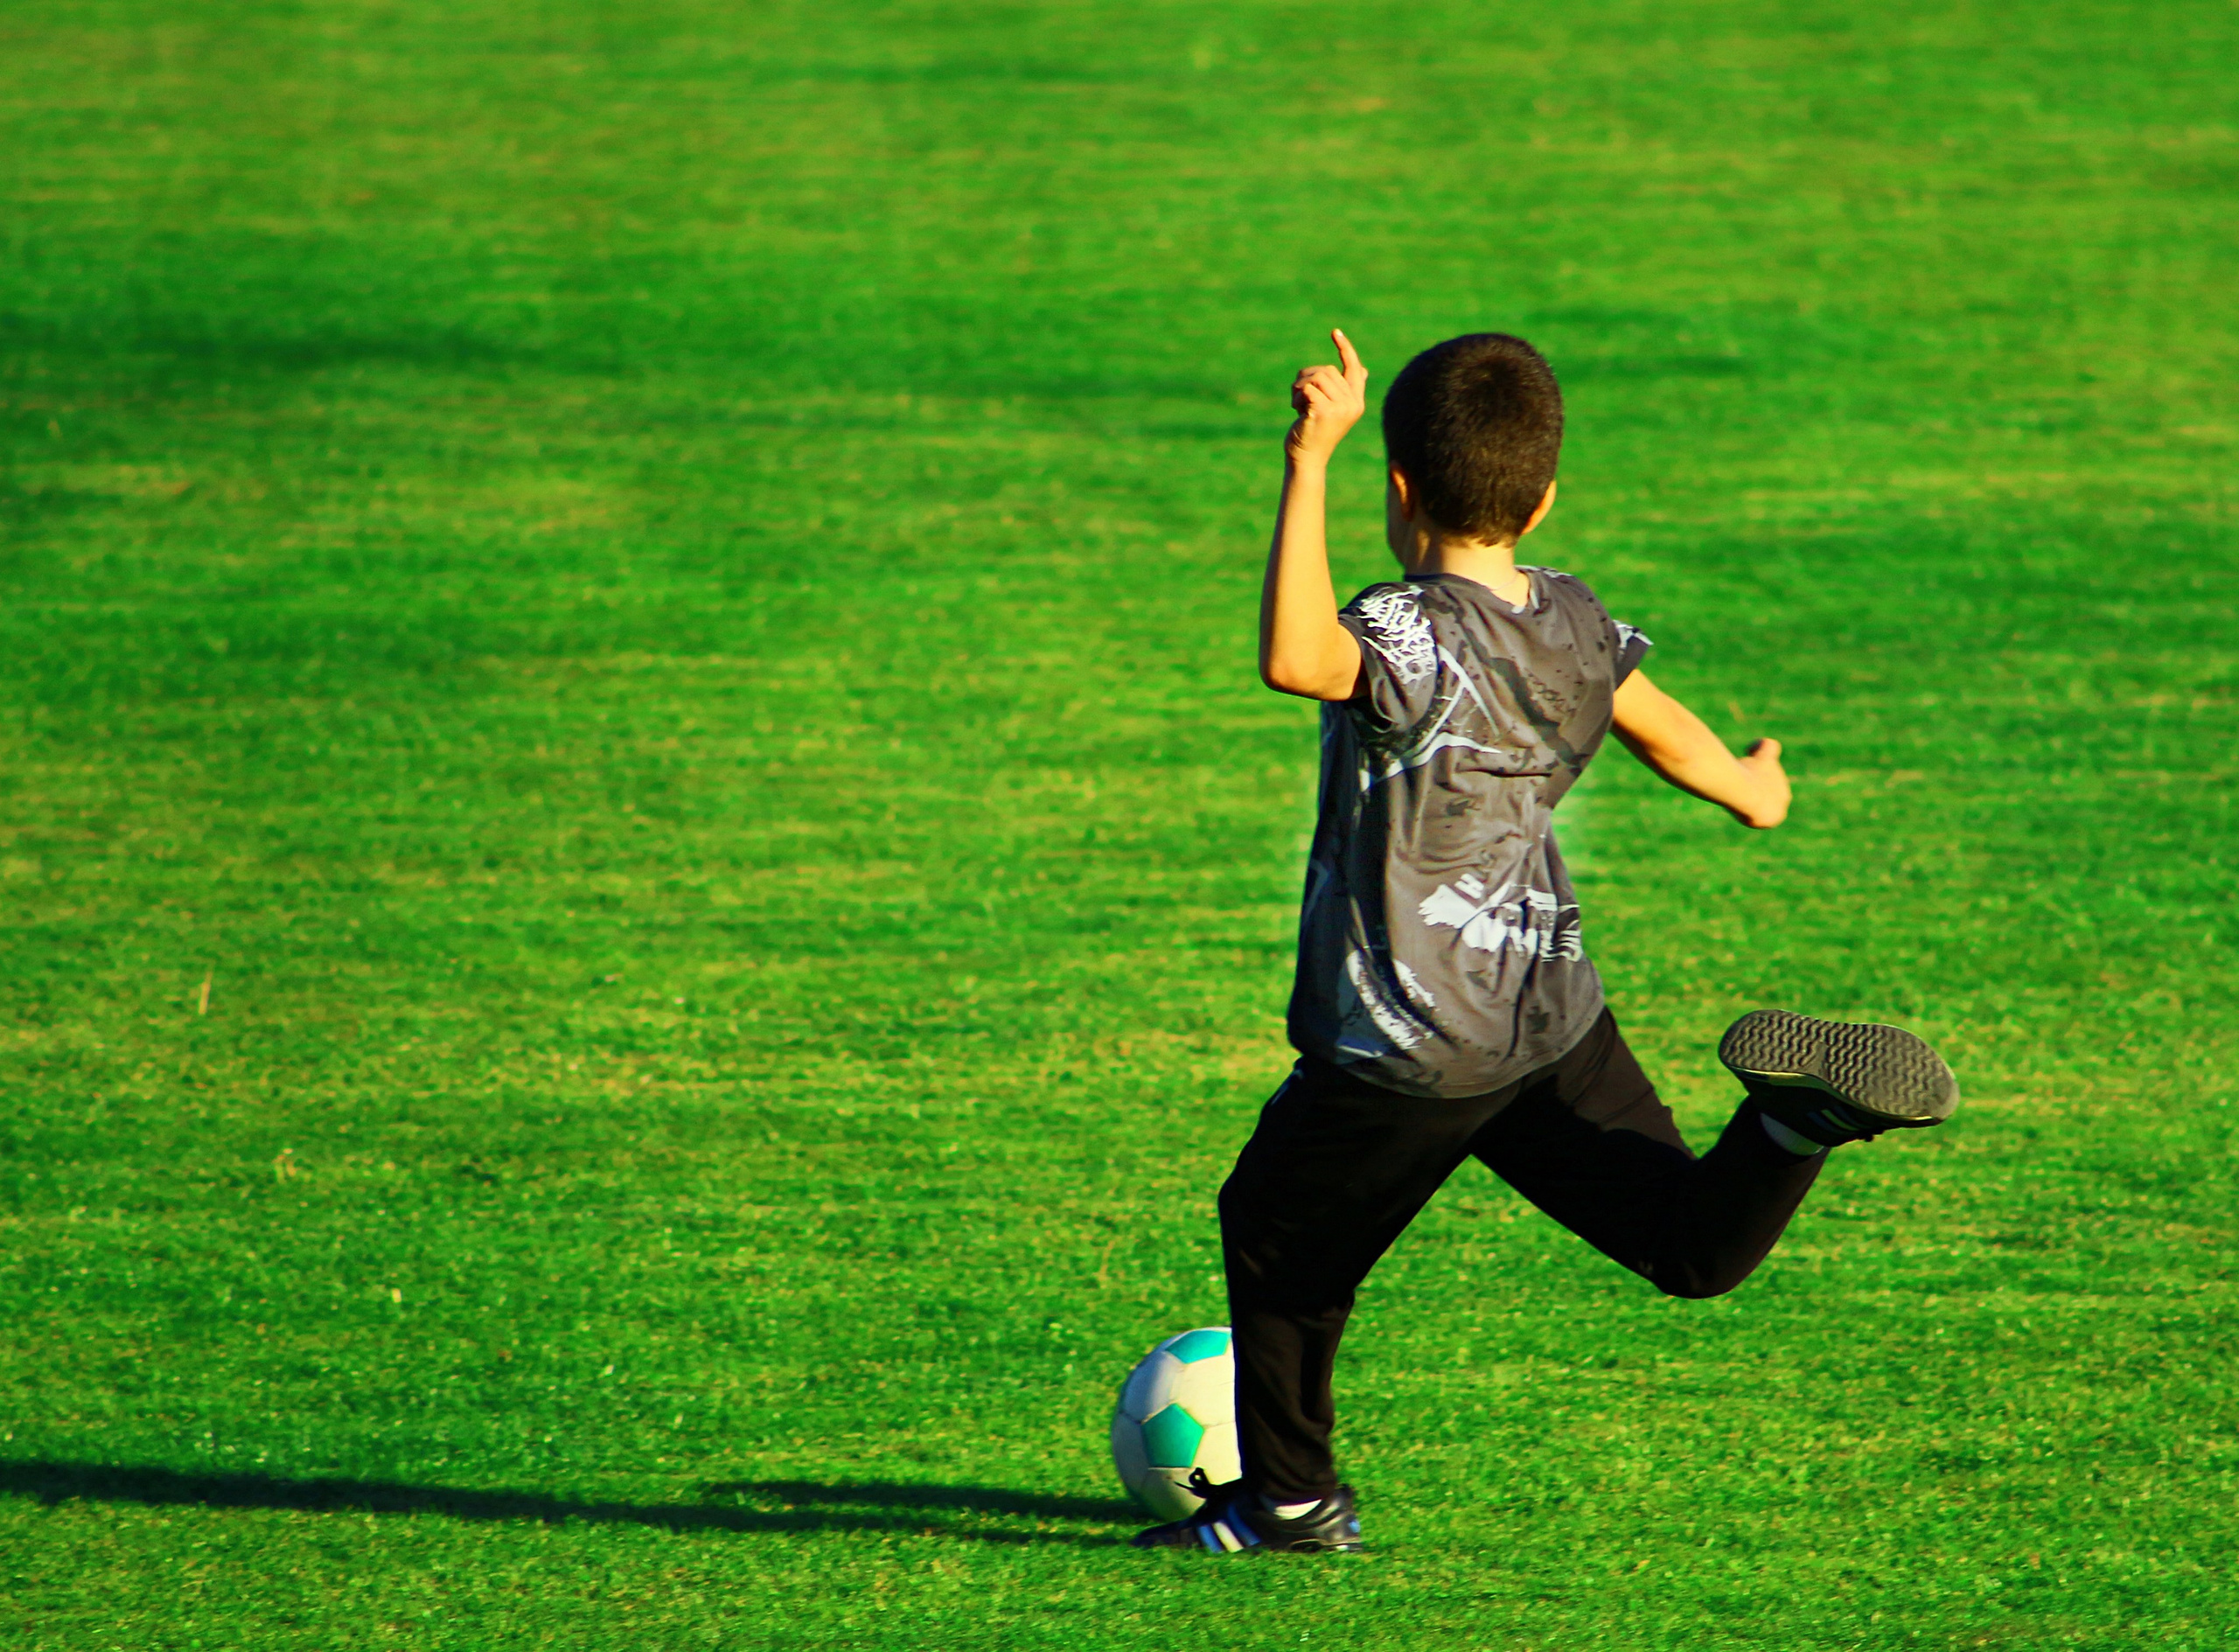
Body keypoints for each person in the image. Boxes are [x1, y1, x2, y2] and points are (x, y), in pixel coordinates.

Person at [1133, 330, 1960, 1556]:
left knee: (1277, 1237)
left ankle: (1291, 1502)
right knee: (1685, 1242)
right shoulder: (1572, 618)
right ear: (1545, 496)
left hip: (1408, 1048)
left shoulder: (1403, 632)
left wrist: (1308, 457)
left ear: (1400, 488)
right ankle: (1794, 1126)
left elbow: (1296, 657)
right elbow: (1654, 717)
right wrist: (1751, 787)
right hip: (1543, 1018)